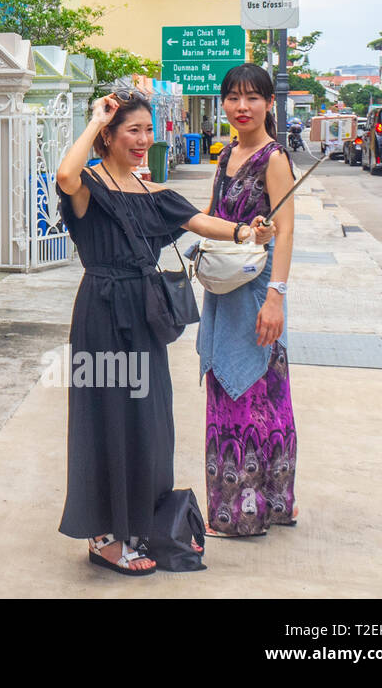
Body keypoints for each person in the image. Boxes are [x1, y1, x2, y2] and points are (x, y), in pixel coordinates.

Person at [54, 88, 273, 575]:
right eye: (133, 130)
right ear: (108, 136)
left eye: (149, 130)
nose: (144, 139)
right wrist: (95, 118)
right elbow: (65, 175)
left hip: (146, 316)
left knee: (149, 424)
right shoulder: (90, 185)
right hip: (102, 314)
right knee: (103, 418)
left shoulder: (152, 195)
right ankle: (102, 535)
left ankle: (137, 523)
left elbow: (200, 221)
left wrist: (246, 233)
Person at [197, 64, 298, 537]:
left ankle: (246, 513)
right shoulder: (227, 154)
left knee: (257, 395)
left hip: (257, 290)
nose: (242, 107)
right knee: (230, 387)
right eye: (234, 98)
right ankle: (271, 504)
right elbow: (214, 217)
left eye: (253, 98)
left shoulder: (273, 157)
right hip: (225, 290)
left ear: (269, 104)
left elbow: (287, 231)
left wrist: (276, 297)